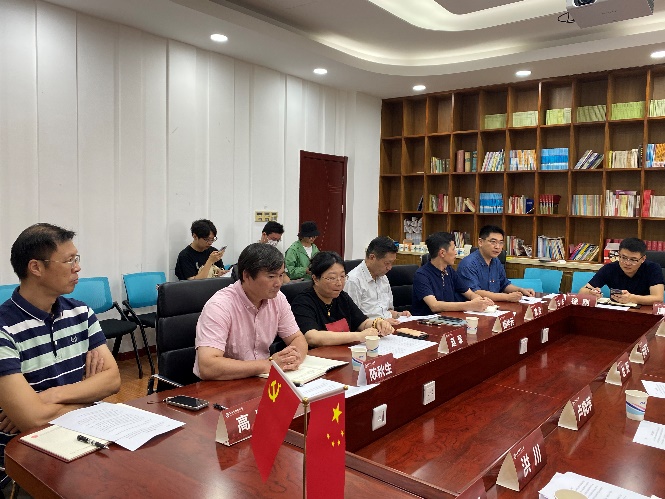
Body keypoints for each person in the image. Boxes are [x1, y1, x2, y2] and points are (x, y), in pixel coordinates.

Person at [0, 223, 121, 492]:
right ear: (36, 268)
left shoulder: (81, 313)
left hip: (85, 440)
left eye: (77, 259)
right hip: (25, 459)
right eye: (69, 261)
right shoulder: (4, 329)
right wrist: (90, 398)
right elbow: (32, 421)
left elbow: (113, 380)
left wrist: (48, 396)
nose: (77, 268)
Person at [194, 243, 308, 380]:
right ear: (246, 276)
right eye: (271, 276)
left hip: (261, 378)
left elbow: (297, 338)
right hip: (224, 383)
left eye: (281, 275)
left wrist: (294, 357)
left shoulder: (278, 298)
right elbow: (208, 366)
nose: (278, 283)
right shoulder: (220, 306)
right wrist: (268, 365)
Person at [291, 251, 393, 348]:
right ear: (315, 279)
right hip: (319, 357)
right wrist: (358, 336)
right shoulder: (303, 302)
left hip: (346, 353)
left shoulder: (342, 297)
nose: (339, 283)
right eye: (332, 278)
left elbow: (362, 323)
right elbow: (312, 337)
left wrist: (377, 323)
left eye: (342, 276)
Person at [412, 232, 494, 316]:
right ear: (442, 253)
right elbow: (434, 306)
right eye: (453, 249)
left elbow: (469, 293)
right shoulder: (421, 275)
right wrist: (469, 305)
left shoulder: (449, 270)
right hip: (426, 321)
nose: (456, 253)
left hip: (448, 318)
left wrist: (480, 300)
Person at [457, 225, 535, 302]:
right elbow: (475, 292)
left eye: (501, 243)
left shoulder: (496, 261)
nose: (498, 247)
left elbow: (504, 284)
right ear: (480, 242)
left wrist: (520, 290)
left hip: (494, 306)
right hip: (473, 307)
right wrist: (507, 297)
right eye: (493, 242)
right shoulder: (468, 264)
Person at [344, 236, 411, 325]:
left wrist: (399, 314)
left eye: (392, 263)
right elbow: (352, 319)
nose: (390, 268)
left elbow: (387, 311)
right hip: (370, 330)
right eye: (387, 263)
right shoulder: (354, 281)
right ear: (372, 257)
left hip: (389, 326)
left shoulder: (383, 277)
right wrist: (379, 323)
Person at [578, 237, 664, 305]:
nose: (627, 263)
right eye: (624, 258)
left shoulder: (653, 268)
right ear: (618, 254)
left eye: (633, 260)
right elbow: (582, 291)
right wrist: (590, 293)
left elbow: (658, 298)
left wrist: (631, 298)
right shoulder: (609, 268)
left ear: (643, 259)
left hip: (644, 312)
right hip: (617, 311)